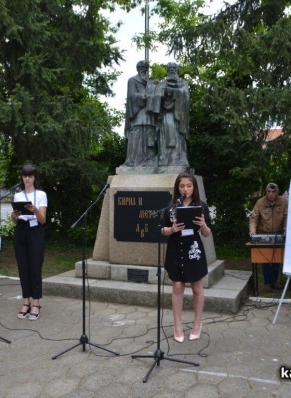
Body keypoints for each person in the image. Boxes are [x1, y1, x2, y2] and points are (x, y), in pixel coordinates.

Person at [161, 171, 211, 342]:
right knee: (177, 287)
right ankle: (177, 326)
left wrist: (203, 224)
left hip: (193, 248)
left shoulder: (201, 206)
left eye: (189, 185)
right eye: (182, 186)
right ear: (177, 188)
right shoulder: (171, 206)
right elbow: (163, 229)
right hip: (175, 247)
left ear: (194, 187)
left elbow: (206, 233)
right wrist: (171, 229)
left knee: (197, 287)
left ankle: (197, 324)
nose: (185, 189)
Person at [11, 164, 47, 320]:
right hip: (21, 230)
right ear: (22, 178)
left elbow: (43, 220)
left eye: (30, 176)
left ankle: (36, 302)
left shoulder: (41, 195)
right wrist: (14, 215)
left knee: (35, 266)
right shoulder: (18, 196)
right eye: (25, 176)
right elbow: (14, 220)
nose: (27, 179)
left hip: (35, 230)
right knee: (22, 266)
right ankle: (26, 300)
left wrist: (35, 210)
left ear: (34, 178)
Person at [249, 182, 288, 291]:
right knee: (265, 259)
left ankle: (274, 282)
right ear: (266, 192)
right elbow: (254, 219)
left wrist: (285, 231)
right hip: (263, 234)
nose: (270, 194)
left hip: (278, 234)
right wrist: (252, 232)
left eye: (273, 192)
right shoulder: (260, 202)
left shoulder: (284, 202)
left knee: (277, 259)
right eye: (268, 192)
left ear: (277, 192)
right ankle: (267, 283)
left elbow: (286, 218)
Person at [150, 62, 190, 167]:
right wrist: (156, 87)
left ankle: (177, 160)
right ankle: (164, 160)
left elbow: (185, 96)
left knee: (177, 139)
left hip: (177, 116)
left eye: (174, 68)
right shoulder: (162, 83)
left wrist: (172, 91)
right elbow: (156, 97)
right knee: (164, 138)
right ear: (168, 70)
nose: (172, 70)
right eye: (170, 68)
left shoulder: (182, 83)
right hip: (165, 115)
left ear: (177, 70)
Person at [122, 60, 157, 167]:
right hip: (138, 113)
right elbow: (131, 96)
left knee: (149, 135)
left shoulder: (150, 83)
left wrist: (155, 87)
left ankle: (148, 160)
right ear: (137, 68)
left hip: (149, 114)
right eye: (141, 67)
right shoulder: (132, 80)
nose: (143, 70)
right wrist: (144, 96)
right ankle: (133, 161)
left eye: (145, 68)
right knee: (137, 135)